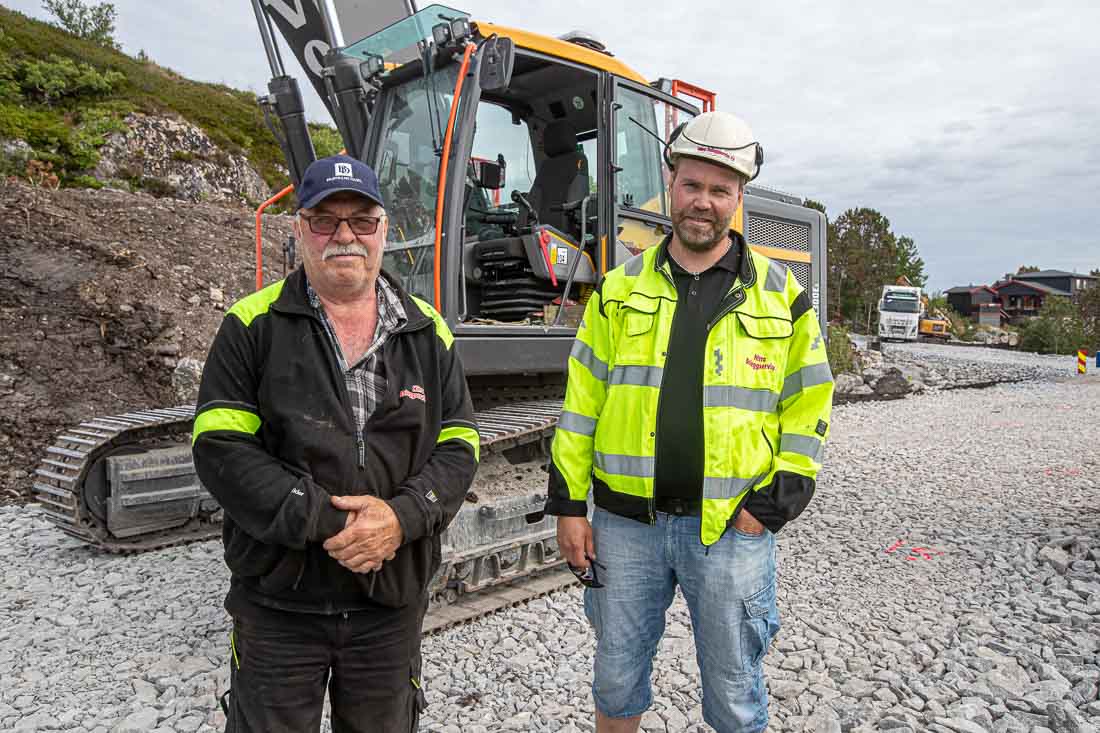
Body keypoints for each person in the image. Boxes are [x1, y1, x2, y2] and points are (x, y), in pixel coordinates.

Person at [545, 111, 834, 733]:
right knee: (616, 681)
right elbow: (581, 403)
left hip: (730, 528)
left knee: (734, 693)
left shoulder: (781, 294)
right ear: (670, 185)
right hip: (625, 528)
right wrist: (568, 506)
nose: (703, 202)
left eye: (720, 190)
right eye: (692, 185)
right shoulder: (616, 290)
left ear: (739, 197)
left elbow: (809, 401)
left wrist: (775, 501)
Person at [192, 154, 479, 732]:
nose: (344, 235)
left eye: (361, 220)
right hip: (279, 604)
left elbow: (460, 442)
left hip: (389, 602)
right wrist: (332, 522)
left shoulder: (428, 331)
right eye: (324, 220)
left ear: (383, 230)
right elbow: (220, 448)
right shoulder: (252, 325)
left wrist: (400, 518)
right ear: (299, 230)